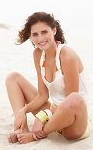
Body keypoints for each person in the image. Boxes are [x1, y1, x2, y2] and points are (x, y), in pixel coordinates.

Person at [5, 12, 91, 144]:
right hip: (53, 114)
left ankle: (35, 135)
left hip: (74, 120)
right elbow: (42, 95)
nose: (40, 38)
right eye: (35, 34)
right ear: (31, 36)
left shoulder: (67, 55)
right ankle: (22, 129)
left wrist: (43, 116)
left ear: (54, 30)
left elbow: (71, 100)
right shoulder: (38, 54)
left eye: (44, 32)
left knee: (74, 98)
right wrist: (23, 111)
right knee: (13, 78)